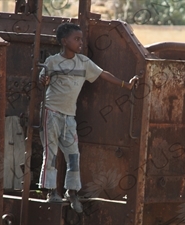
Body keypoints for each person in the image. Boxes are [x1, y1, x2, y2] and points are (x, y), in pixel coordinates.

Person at [38, 22, 138, 213]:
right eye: (76, 39)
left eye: (81, 39)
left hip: (69, 116)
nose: (80, 42)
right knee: (50, 153)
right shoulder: (52, 62)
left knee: (73, 155)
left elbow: (103, 74)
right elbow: (42, 79)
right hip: (51, 112)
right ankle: (50, 192)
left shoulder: (83, 62)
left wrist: (126, 85)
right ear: (64, 41)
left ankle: (72, 192)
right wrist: (43, 80)